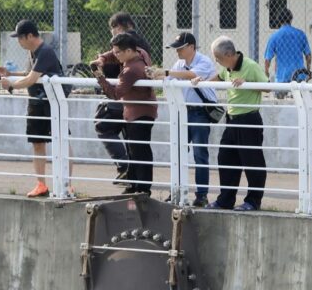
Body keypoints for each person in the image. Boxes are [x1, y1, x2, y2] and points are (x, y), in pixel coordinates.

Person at [0, 20, 72, 199]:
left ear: (30, 36)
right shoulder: (33, 52)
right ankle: (41, 185)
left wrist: (11, 86)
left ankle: (68, 184)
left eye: (20, 38)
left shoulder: (45, 52)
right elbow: (30, 73)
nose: (19, 42)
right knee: (38, 142)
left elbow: (31, 79)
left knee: (62, 140)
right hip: (36, 103)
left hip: (51, 103)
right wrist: (10, 74)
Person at [200, 36, 267, 211]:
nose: (217, 62)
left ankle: (253, 201)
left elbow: (268, 86)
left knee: (252, 161)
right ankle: (225, 200)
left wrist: (247, 84)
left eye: (218, 58)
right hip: (232, 119)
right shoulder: (228, 68)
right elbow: (220, 78)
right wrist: (202, 82)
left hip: (248, 119)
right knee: (226, 157)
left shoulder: (250, 66)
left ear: (229, 54)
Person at [158, 31, 219, 207]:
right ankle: (176, 191)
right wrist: (156, 74)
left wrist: (167, 72)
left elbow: (191, 75)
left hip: (199, 113)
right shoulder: (179, 63)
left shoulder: (204, 61)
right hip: (183, 112)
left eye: (180, 48)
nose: (177, 51)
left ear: (191, 47)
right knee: (178, 152)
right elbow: (171, 76)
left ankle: (201, 195)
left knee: (200, 154)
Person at [94, 32, 158, 195]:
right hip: (141, 110)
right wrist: (102, 58)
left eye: (117, 53)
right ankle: (135, 185)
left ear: (129, 51)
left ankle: (142, 188)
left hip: (139, 112)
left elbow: (115, 94)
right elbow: (113, 55)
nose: (115, 56)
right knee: (134, 149)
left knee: (139, 150)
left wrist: (99, 76)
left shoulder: (130, 70)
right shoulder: (141, 53)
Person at [263, 7, 311, 84]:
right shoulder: (301, 34)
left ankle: (280, 95)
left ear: (278, 20)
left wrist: (266, 72)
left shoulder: (274, 36)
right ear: (291, 19)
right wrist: (308, 70)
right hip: (299, 75)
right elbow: (308, 55)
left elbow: (267, 60)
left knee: (279, 94)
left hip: (282, 76)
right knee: (299, 94)